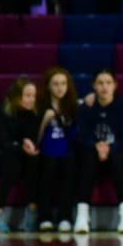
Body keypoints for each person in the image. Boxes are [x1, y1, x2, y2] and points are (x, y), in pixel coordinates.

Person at [74, 69, 123, 234]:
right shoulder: (87, 108)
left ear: (115, 85)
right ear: (94, 85)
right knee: (88, 156)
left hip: (118, 155)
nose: (104, 87)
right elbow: (82, 136)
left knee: (117, 157)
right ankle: (82, 215)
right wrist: (96, 145)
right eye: (100, 83)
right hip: (93, 155)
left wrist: (110, 147)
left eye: (108, 83)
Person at [36, 67, 79, 232]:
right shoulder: (40, 107)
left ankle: (65, 217)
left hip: (67, 151)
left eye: (63, 84)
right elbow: (36, 139)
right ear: (48, 86)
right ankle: (45, 217)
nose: (60, 88)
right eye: (55, 84)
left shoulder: (74, 107)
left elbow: (77, 136)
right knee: (47, 171)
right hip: (47, 152)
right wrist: (44, 121)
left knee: (69, 171)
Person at [0, 77, 41, 233]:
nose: (31, 100)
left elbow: (33, 138)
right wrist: (22, 145)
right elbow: (3, 141)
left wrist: (31, 145)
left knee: (33, 161)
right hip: (3, 155)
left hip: (24, 156)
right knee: (12, 162)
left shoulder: (33, 114)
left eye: (33, 96)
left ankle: (32, 211)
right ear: (16, 96)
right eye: (27, 95)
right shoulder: (2, 111)